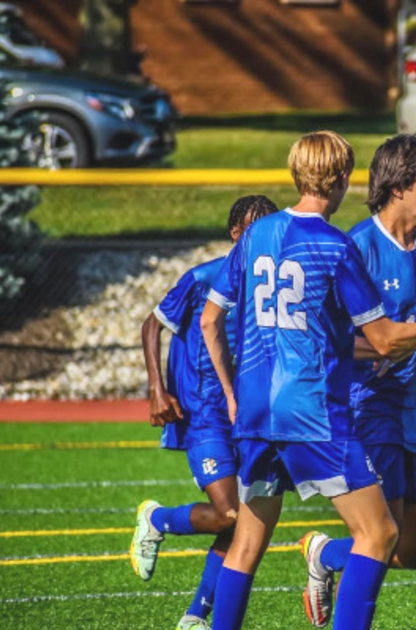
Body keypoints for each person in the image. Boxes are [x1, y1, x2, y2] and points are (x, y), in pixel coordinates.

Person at [199, 131, 416, 630]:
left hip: (257, 412)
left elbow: (211, 320)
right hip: (314, 410)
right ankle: (328, 566)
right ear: (344, 177)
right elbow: (383, 340)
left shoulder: (257, 234)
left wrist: (233, 394)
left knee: (249, 541)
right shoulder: (338, 246)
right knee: (379, 533)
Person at [296, 134, 416, 626]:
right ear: (398, 187)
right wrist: (386, 345)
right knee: (381, 534)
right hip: (370, 405)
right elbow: (329, 337)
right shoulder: (356, 248)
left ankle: (325, 553)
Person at [132, 194, 277, 630]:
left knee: (241, 520)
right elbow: (152, 324)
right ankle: (156, 518)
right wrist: (157, 388)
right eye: (252, 230)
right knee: (229, 512)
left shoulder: (270, 288)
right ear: (235, 233)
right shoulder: (203, 278)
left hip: (249, 417)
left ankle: (196, 616)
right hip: (204, 414)